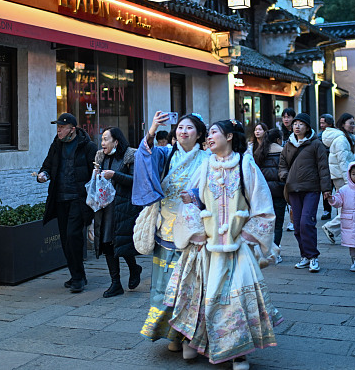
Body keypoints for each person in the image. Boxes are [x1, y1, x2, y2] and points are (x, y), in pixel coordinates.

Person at [169, 119, 282, 369]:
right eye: (208, 133)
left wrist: (246, 237)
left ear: (229, 137)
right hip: (206, 247)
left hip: (238, 247)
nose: (208, 137)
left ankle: (239, 352)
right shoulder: (205, 164)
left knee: (235, 300)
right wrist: (193, 209)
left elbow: (263, 208)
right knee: (202, 297)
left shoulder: (246, 164)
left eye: (213, 133)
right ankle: (197, 341)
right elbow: (194, 200)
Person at [133, 111, 208, 349]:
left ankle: (187, 336)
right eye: (180, 128)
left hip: (193, 232)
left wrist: (195, 197)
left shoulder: (207, 159)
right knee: (163, 288)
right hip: (165, 230)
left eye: (189, 128)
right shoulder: (166, 154)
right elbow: (144, 156)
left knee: (190, 288)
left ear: (199, 135)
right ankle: (170, 333)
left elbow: (214, 193)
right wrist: (153, 128)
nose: (183, 132)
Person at [37, 113, 97, 293]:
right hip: (60, 198)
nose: (58, 130)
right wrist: (43, 175)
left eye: (62, 127)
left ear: (72, 129)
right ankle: (77, 274)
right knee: (65, 239)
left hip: (79, 199)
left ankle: (78, 278)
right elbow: (47, 165)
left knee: (73, 236)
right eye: (57, 127)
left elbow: (95, 173)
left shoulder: (87, 147)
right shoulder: (56, 145)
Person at [92, 127, 142, 298]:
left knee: (121, 243)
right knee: (107, 244)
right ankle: (116, 283)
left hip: (123, 207)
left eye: (106, 139)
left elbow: (136, 181)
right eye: (102, 139)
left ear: (116, 141)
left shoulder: (130, 156)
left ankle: (134, 268)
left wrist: (115, 175)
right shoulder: (101, 157)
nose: (102, 143)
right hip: (105, 207)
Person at [279, 113, 330, 273]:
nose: (297, 126)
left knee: (307, 223)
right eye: (295, 124)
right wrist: (284, 176)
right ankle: (305, 256)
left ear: (307, 127)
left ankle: (313, 257)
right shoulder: (288, 145)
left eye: (301, 124)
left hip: (311, 189)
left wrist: (326, 189)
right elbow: (282, 164)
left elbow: (323, 167)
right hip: (293, 189)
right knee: (297, 226)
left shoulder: (316, 144)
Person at [321, 113, 355, 244]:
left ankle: (339, 231)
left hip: (340, 176)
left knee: (344, 206)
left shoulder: (345, 138)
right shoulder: (342, 140)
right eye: (351, 123)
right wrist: (349, 181)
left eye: (354, 123)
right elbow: (343, 162)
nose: (353, 125)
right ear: (343, 124)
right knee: (349, 206)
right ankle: (331, 227)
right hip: (342, 177)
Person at [256, 128, 286, 261]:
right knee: (278, 224)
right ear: (279, 139)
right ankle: (275, 251)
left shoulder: (259, 152)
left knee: (265, 223)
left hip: (263, 194)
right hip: (279, 192)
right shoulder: (283, 152)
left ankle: (264, 250)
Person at [318, 113, 336, 220]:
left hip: (336, 165)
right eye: (320, 123)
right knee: (326, 189)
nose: (321, 125)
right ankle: (326, 210)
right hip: (325, 166)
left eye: (323, 122)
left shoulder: (337, 134)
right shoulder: (320, 136)